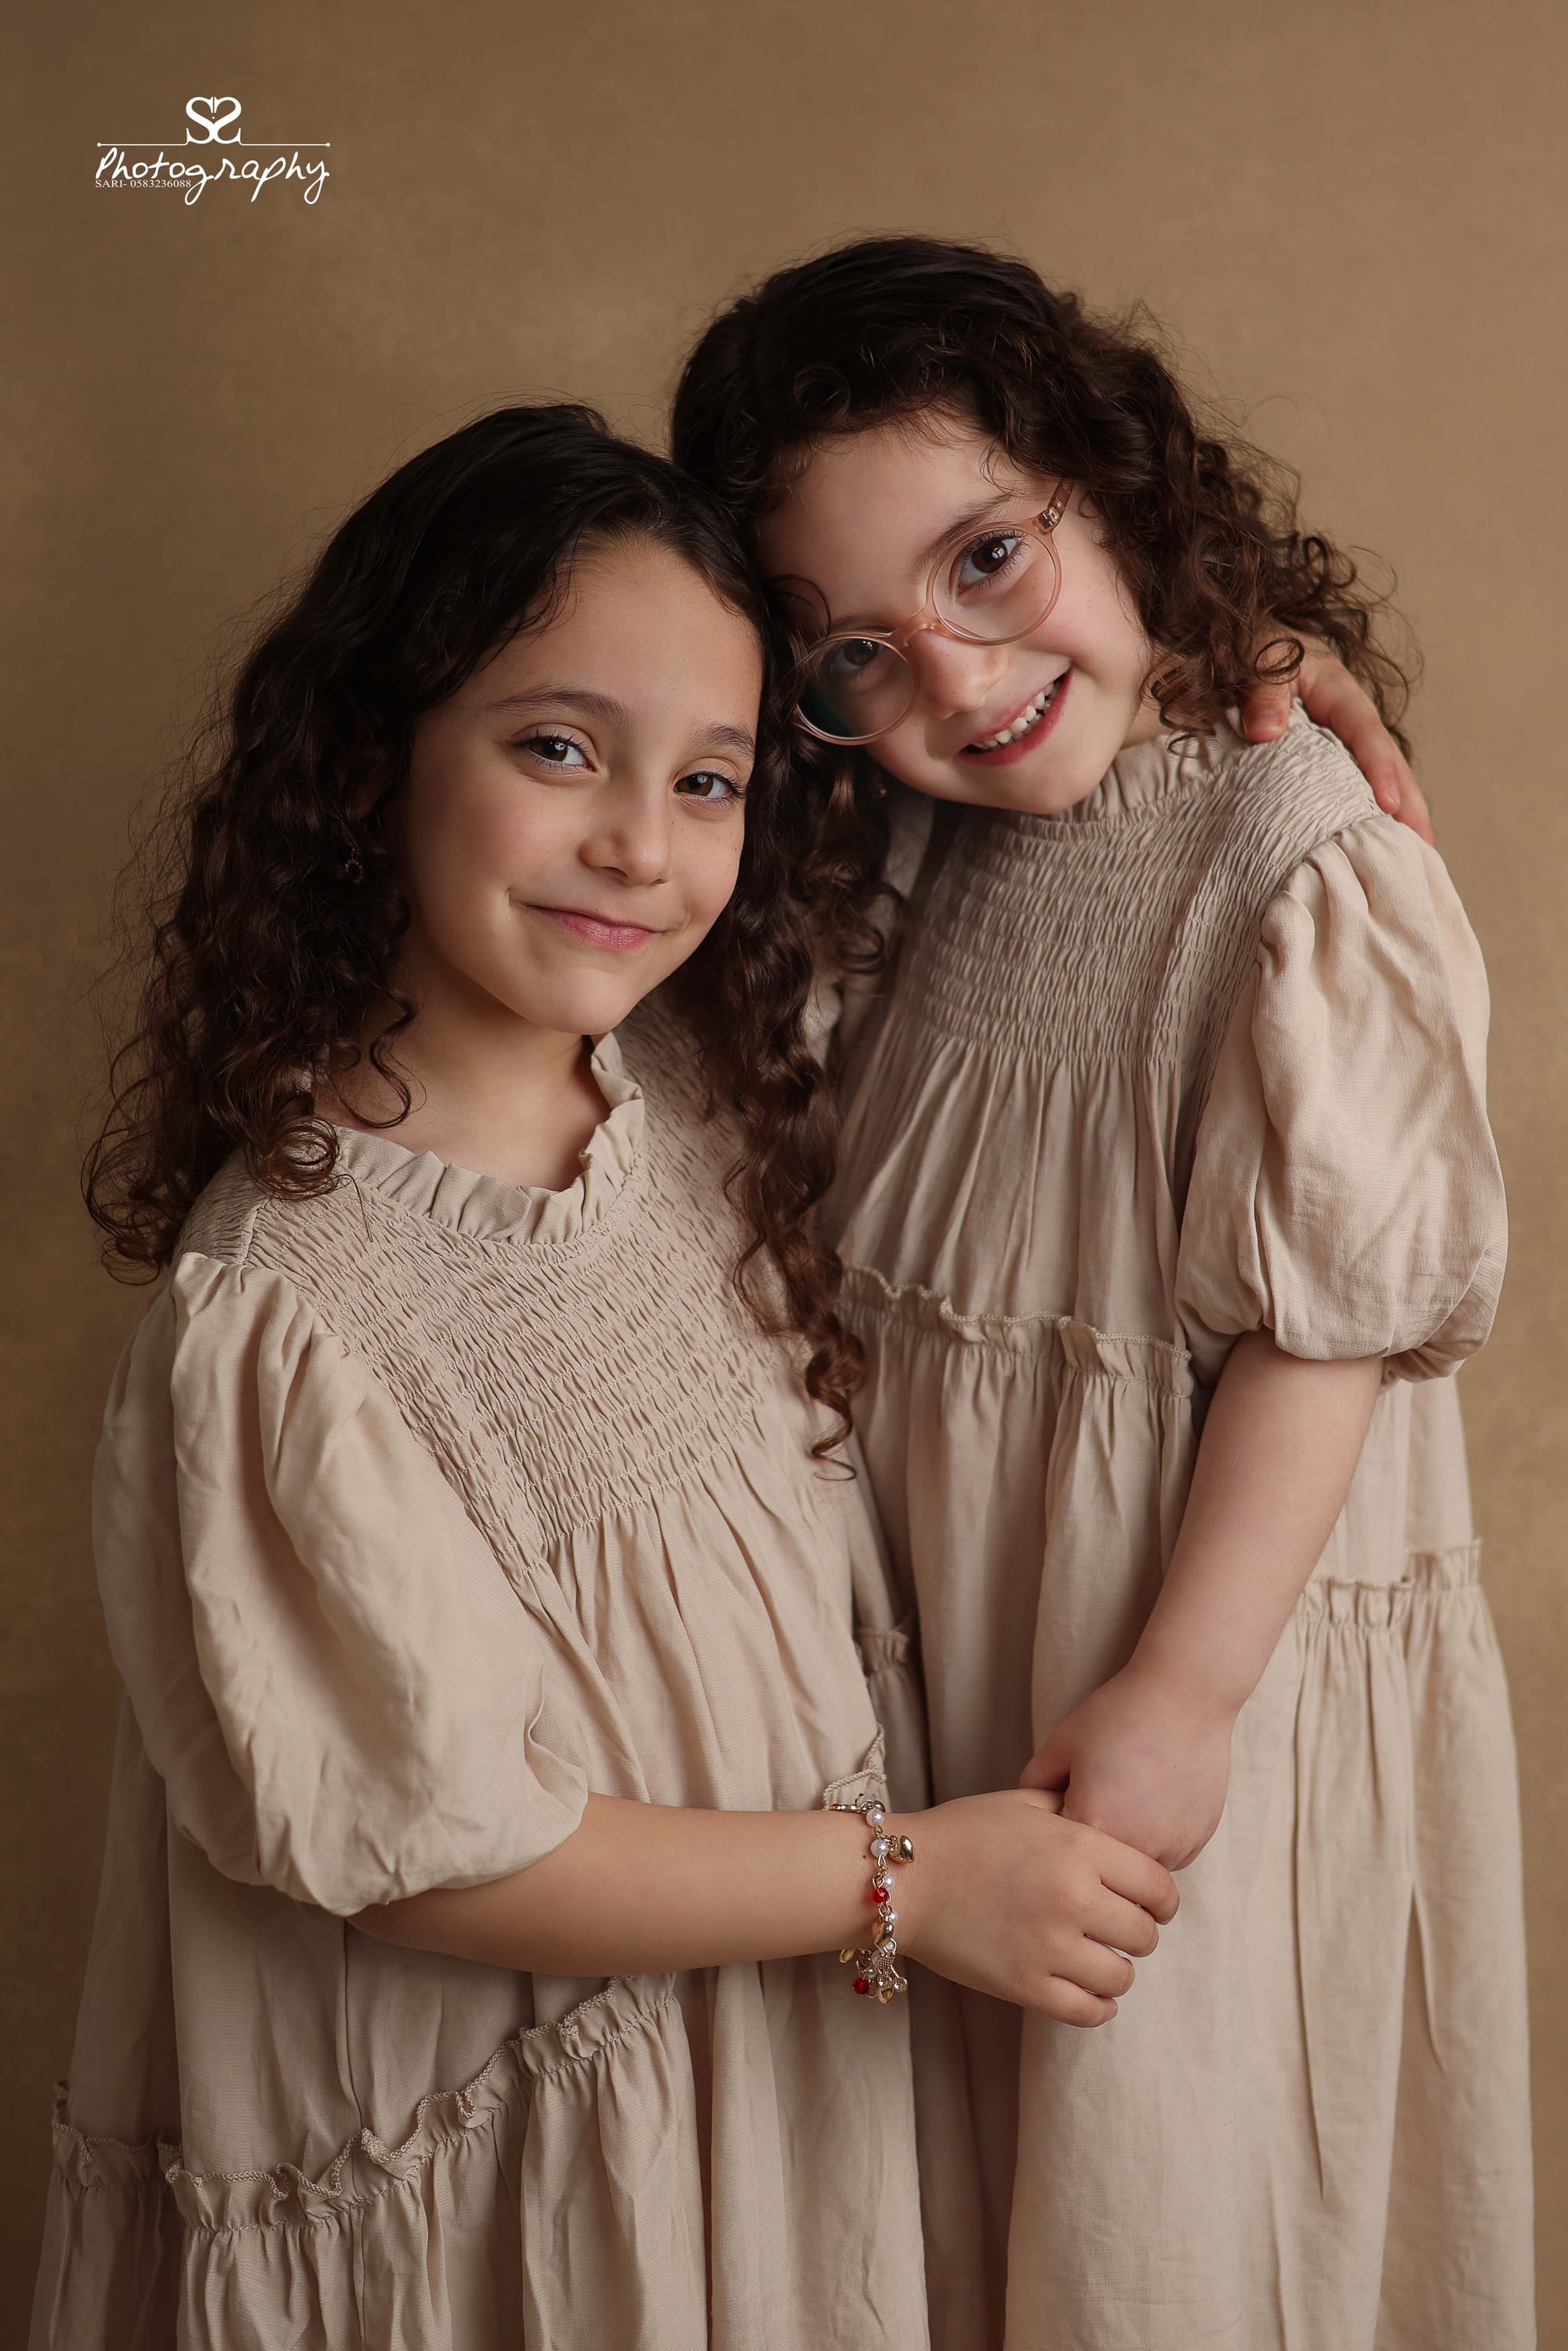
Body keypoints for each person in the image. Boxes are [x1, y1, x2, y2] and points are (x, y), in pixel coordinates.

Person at [34, 405, 1180, 2349]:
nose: (642, 845)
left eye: (709, 779)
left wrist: (1259, 664)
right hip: (525, 2174)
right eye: (557, 749)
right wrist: (906, 1882)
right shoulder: (291, 1308)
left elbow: (1012, 758)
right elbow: (430, 1853)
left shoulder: (702, 1078)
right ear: (371, 755)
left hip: (763, 2090)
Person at [672, 238, 1534, 2351]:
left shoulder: (1297, 850)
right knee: (962, 2213)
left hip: (1171, 1655)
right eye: (856, 652)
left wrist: (1186, 1692)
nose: (962, 679)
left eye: (990, 559)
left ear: (1110, 482)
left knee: (1160, 2205)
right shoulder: (907, 847)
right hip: (953, 1648)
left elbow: (1328, 1331)